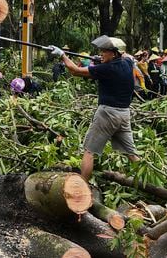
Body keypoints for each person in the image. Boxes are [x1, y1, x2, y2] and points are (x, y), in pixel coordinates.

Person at [51, 35, 139, 181]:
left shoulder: (107, 69)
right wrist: (101, 59)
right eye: (101, 51)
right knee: (131, 153)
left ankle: (82, 186)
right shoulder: (128, 63)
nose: (101, 54)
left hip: (107, 114)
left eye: (105, 51)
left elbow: (75, 71)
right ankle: (151, 182)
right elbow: (127, 56)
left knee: (89, 151)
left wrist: (62, 55)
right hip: (124, 114)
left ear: (114, 53)